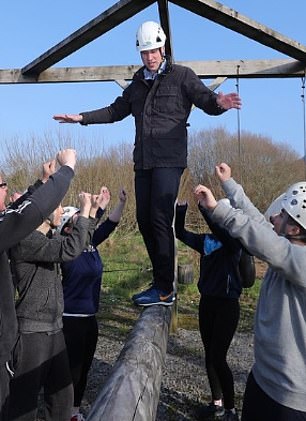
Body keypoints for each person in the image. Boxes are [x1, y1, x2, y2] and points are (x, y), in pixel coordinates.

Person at [53, 20, 241, 307]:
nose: (150, 57)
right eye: (144, 53)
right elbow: (116, 110)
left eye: (154, 51)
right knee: (143, 221)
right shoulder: (138, 84)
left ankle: (166, 288)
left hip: (169, 159)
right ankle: (160, 282)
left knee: (159, 218)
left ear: (162, 48)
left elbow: (205, 98)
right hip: (143, 161)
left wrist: (219, 103)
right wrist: (82, 117)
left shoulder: (181, 76)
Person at [195, 162, 306, 421]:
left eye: (280, 215)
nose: (272, 217)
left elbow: (259, 236)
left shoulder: (299, 261)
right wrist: (229, 185)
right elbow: (258, 222)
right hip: (262, 381)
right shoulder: (288, 247)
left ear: (295, 228)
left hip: (290, 401)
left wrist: (217, 210)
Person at [8, 191, 99, 421]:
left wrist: (93, 212)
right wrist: (85, 210)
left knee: (63, 397)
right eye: (58, 207)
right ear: (42, 212)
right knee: (24, 403)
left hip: (54, 329)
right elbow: (69, 249)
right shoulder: (27, 241)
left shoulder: (49, 239)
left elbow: (79, 244)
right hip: (32, 333)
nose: (62, 211)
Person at [0, 149, 77, 421]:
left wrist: (43, 182)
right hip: (27, 331)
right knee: (20, 406)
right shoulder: (23, 238)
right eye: (2, 185)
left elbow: (17, 213)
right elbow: (24, 215)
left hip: (44, 329)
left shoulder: (7, 226)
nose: (7, 191)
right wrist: (66, 170)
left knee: (62, 398)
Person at [59, 187, 127, 421]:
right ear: (68, 228)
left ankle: (74, 412)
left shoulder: (89, 242)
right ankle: (62, 412)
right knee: (72, 373)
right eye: (78, 218)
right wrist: (94, 208)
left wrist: (118, 203)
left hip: (90, 319)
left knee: (85, 369)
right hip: (71, 320)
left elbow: (108, 225)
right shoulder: (66, 249)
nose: (85, 220)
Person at [175, 197, 242, 421]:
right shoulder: (207, 242)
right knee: (208, 354)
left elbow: (221, 230)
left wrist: (206, 210)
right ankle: (217, 404)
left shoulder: (234, 241)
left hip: (227, 305)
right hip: (207, 303)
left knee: (218, 356)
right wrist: (181, 209)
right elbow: (180, 233)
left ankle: (231, 410)